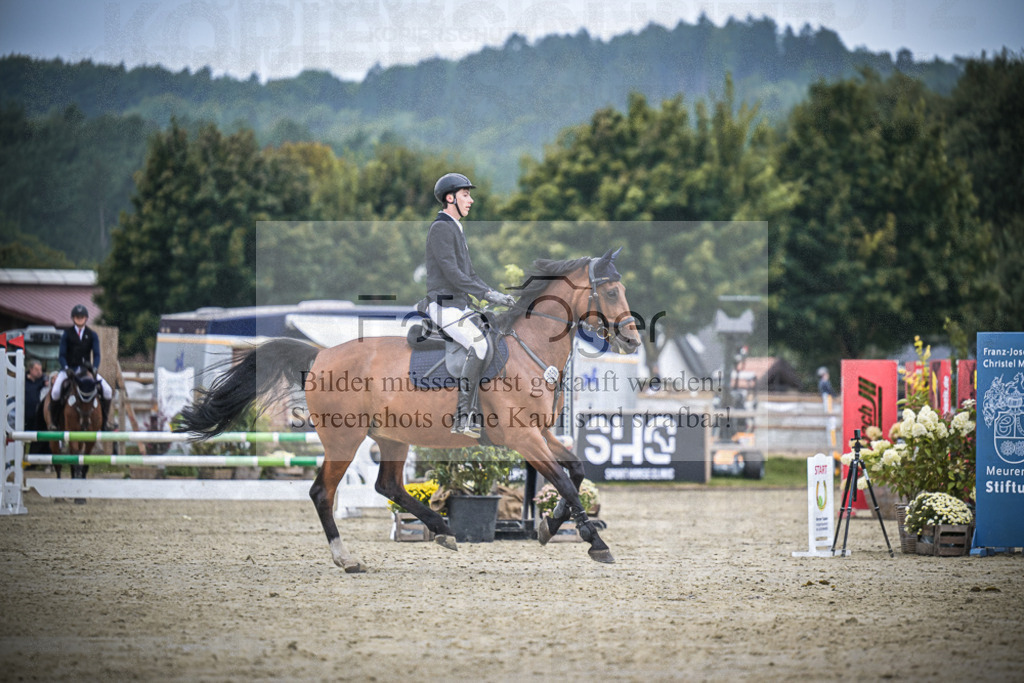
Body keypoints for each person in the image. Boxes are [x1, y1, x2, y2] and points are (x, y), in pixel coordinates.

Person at [421, 173, 514, 438]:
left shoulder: (455, 228)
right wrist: (486, 293)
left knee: (493, 334)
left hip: (459, 307)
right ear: (450, 198)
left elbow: (470, 275)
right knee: (479, 344)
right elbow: (452, 274)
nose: (470, 200)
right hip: (443, 306)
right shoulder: (441, 228)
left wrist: (494, 294)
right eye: (465, 195)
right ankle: (463, 416)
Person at [50, 305, 113, 430]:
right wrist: (66, 368)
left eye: (82, 317)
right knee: (56, 392)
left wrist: (95, 368)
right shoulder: (67, 334)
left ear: (86, 318)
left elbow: (96, 355)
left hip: (86, 370)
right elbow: (61, 355)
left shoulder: (92, 334)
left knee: (107, 390)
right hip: (69, 370)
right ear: (73, 318)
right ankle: (54, 422)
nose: (79, 319)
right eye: (77, 317)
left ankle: (105, 422)